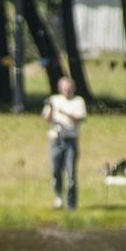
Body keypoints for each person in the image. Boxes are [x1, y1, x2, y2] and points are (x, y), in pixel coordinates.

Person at [42, 76, 87, 210]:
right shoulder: (54, 100)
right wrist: (50, 109)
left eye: (69, 88)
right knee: (56, 171)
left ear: (73, 88)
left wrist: (65, 113)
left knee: (71, 173)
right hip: (56, 140)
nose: (66, 90)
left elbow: (81, 118)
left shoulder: (78, 101)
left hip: (70, 140)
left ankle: (72, 204)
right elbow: (46, 119)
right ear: (60, 88)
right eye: (64, 88)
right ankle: (58, 198)